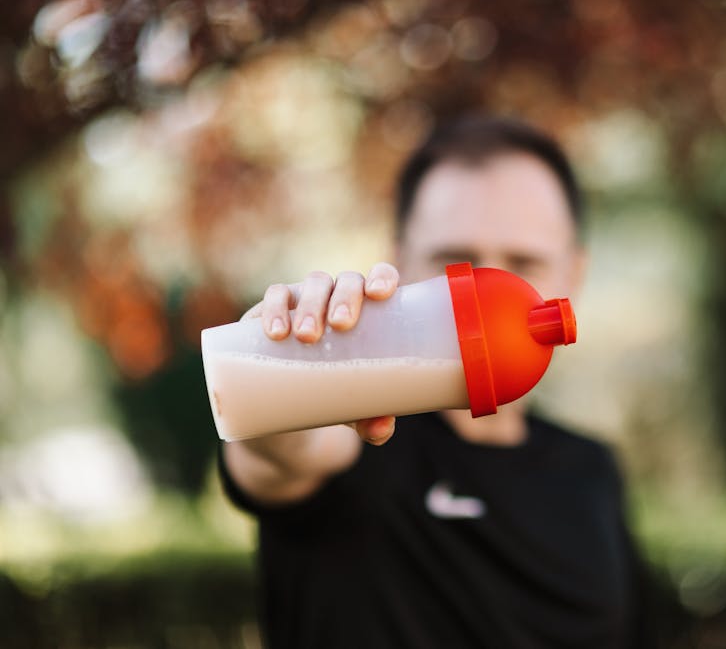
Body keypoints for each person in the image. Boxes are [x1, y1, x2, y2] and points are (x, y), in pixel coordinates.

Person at [220, 116, 660, 648]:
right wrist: (279, 361)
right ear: (399, 261)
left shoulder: (590, 471)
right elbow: (285, 451)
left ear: (573, 278)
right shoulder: (354, 434)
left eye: (524, 262)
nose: (487, 288)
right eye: (456, 259)